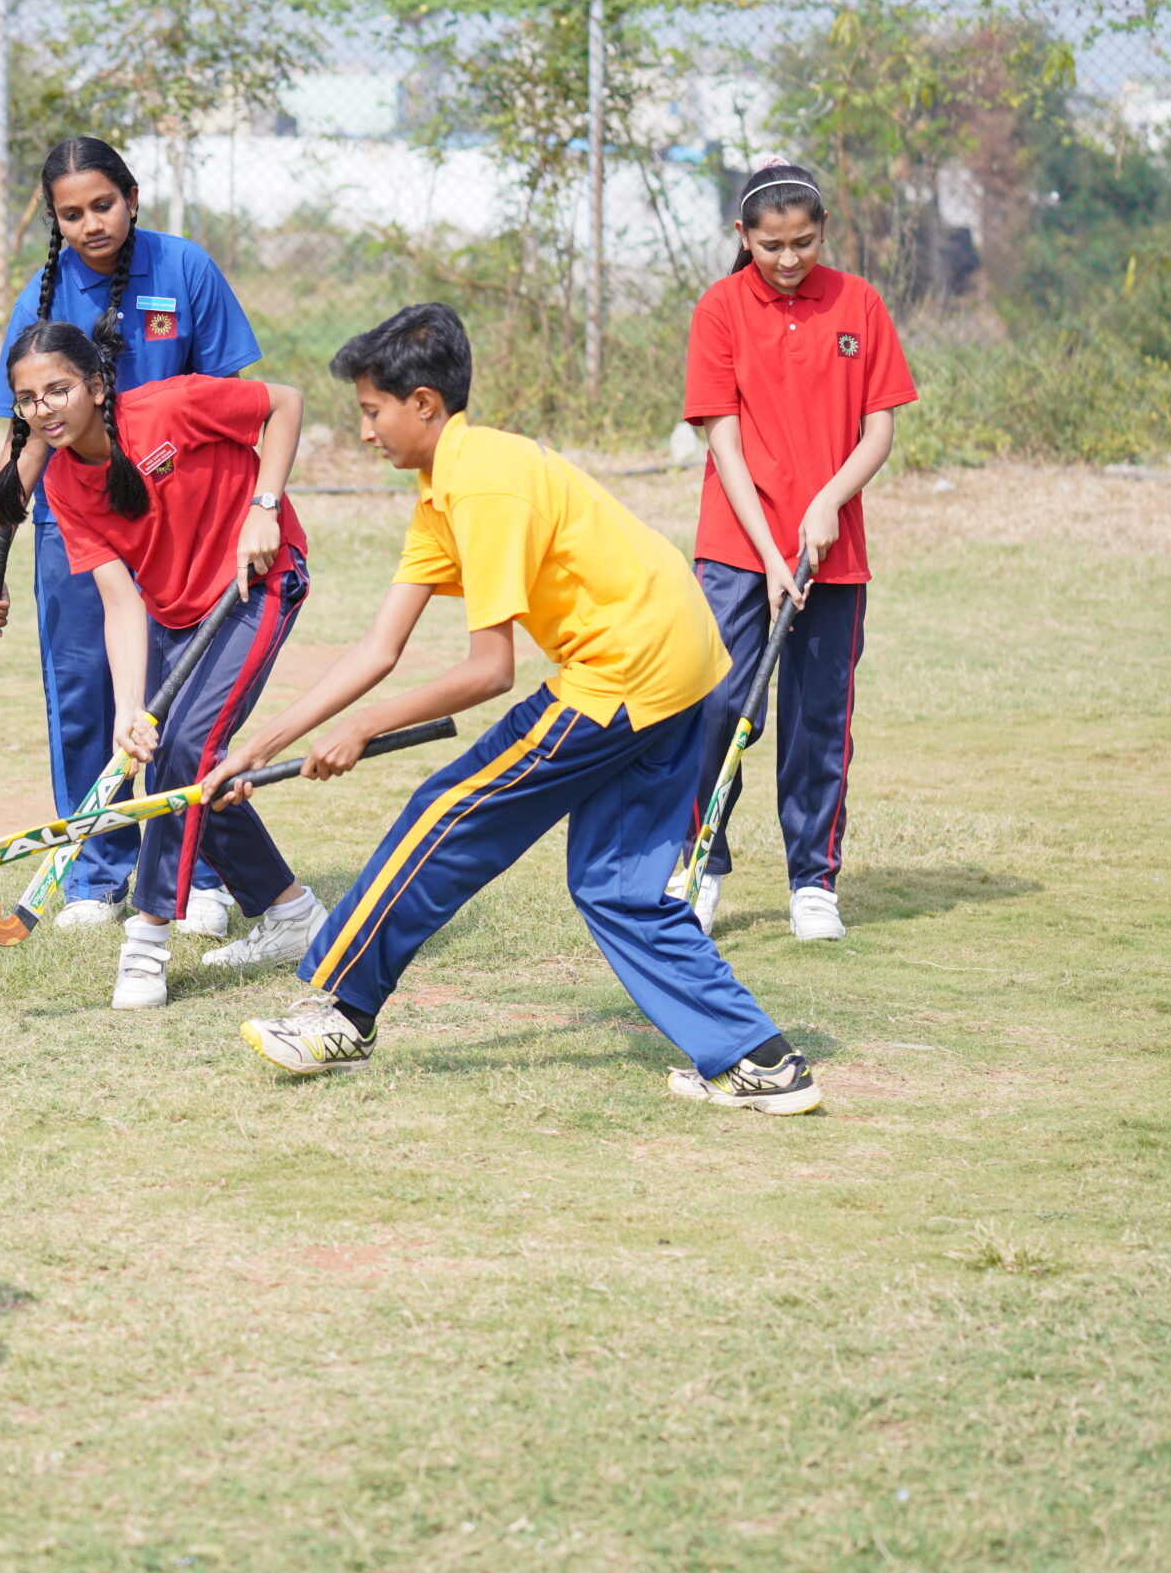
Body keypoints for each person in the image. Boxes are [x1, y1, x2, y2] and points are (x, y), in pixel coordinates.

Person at [207, 304, 819, 1116]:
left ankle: (337, 1011)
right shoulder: (443, 493)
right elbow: (377, 649)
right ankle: (758, 1060)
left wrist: (363, 729)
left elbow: (489, 670)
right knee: (618, 888)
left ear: (424, 403)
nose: (363, 433)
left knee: (450, 811)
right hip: (684, 665)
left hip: (623, 671)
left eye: (370, 411)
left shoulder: (487, 482)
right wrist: (261, 744)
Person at [0, 137, 263, 938]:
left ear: (131, 196)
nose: (91, 223)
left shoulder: (185, 269)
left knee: (178, 697)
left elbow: (235, 405)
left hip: (179, 522)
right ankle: (95, 870)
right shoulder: (43, 292)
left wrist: (251, 511)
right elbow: (21, 442)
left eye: (103, 204)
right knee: (84, 693)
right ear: (54, 221)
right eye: (72, 213)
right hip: (75, 516)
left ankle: (195, 873)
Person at [0, 319, 319, 1009]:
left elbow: (284, 402)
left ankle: (145, 942)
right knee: (177, 759)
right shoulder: (64, 487)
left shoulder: (169, 407)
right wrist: (129, 711)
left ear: (97, 384)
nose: (43, 408)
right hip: (175, 616)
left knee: (186, 753)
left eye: (58, 388)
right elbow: (119, 602)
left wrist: (265, 506)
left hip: (256, 581)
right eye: (27, 398)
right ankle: (291, 915)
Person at [677, 159, 916, 942]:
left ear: (823, 233)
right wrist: (772, 557)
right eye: (771, 244)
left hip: (830, 553)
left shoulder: (859, 303)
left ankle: (813, 882)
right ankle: (699, 864)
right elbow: (723, 439)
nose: (787, 260)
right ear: (742, 236)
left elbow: (878, 427)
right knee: (716, 705)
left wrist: (826, 503)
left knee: (817, 718)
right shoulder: (719, 308)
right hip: (736, 548)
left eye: (803, 242)